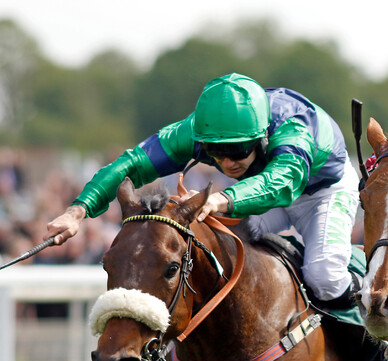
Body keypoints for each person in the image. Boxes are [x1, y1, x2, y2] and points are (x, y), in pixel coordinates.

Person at [45, 73, 361, 311]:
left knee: (324, 275)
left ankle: (373, 334)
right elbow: (132, 162)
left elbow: (282, 182)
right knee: (218, 248)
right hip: (259, 191)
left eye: (237, 150)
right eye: (215, 151)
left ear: (262, 134)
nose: (226, 162)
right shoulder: (197, 129)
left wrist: (223, 198)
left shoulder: (293, 126)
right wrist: (78, 211)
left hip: (322, 191)